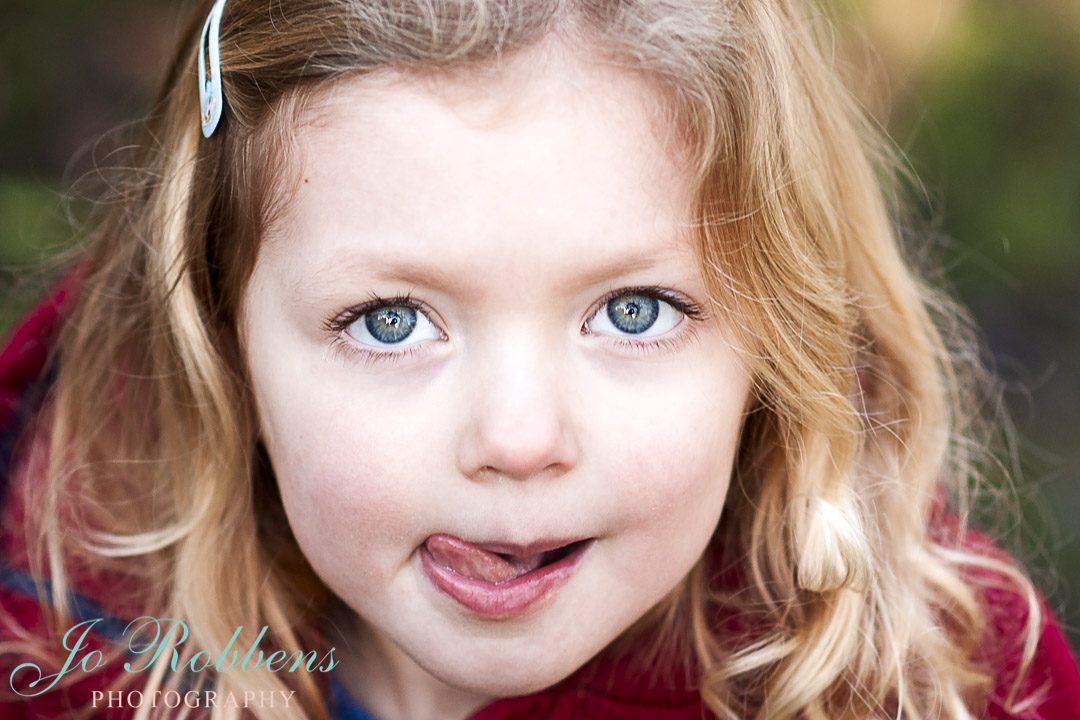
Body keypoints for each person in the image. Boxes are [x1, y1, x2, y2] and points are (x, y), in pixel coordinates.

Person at [1, 0, 1078, 718]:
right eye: (390, 321)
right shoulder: (54, 654)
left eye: (635, 309)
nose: (519, 440)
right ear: (223, 342)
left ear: (777, 339)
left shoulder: (943, 688)